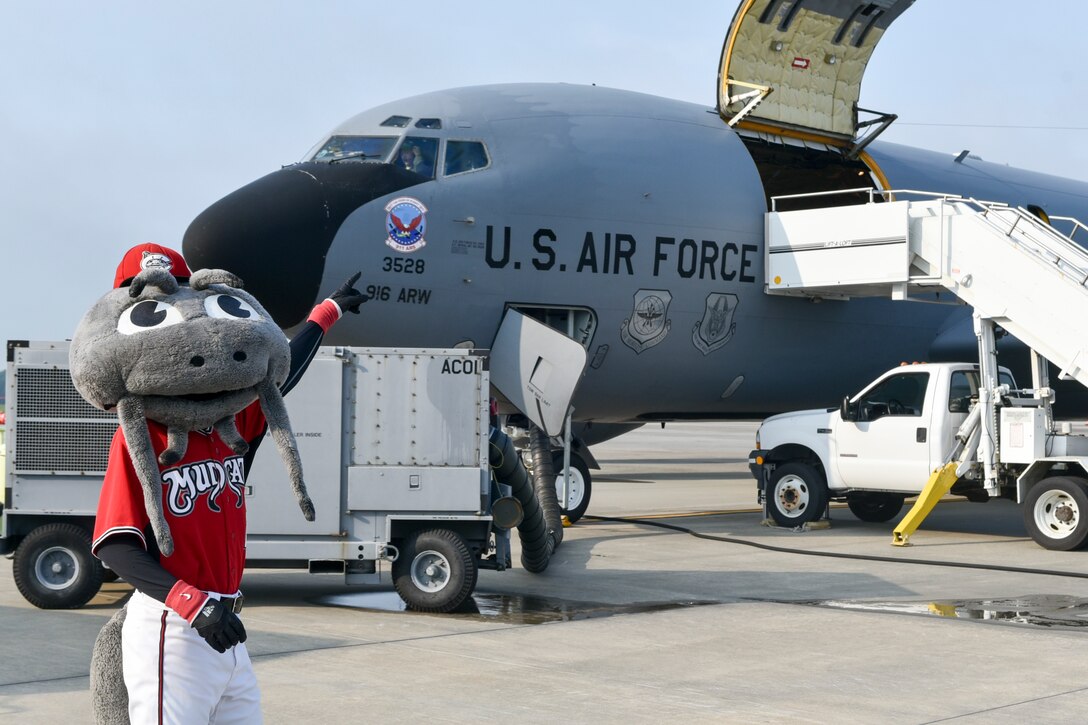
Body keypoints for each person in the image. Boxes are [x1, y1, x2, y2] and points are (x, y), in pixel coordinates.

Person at [91, 243, 366, 723]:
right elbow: (116, 546)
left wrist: (326, 313)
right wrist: (192, 605)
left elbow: (280, 375)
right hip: (173, 627)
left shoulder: (231, 425)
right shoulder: (140, 435)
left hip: (227, 627)